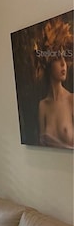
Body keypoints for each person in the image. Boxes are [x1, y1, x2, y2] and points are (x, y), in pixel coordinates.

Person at [35, 17, 74, 149]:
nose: (64, 63)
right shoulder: (42, 106)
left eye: (65, 57)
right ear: (47, 63)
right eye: (58, 58)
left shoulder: (72, 100)